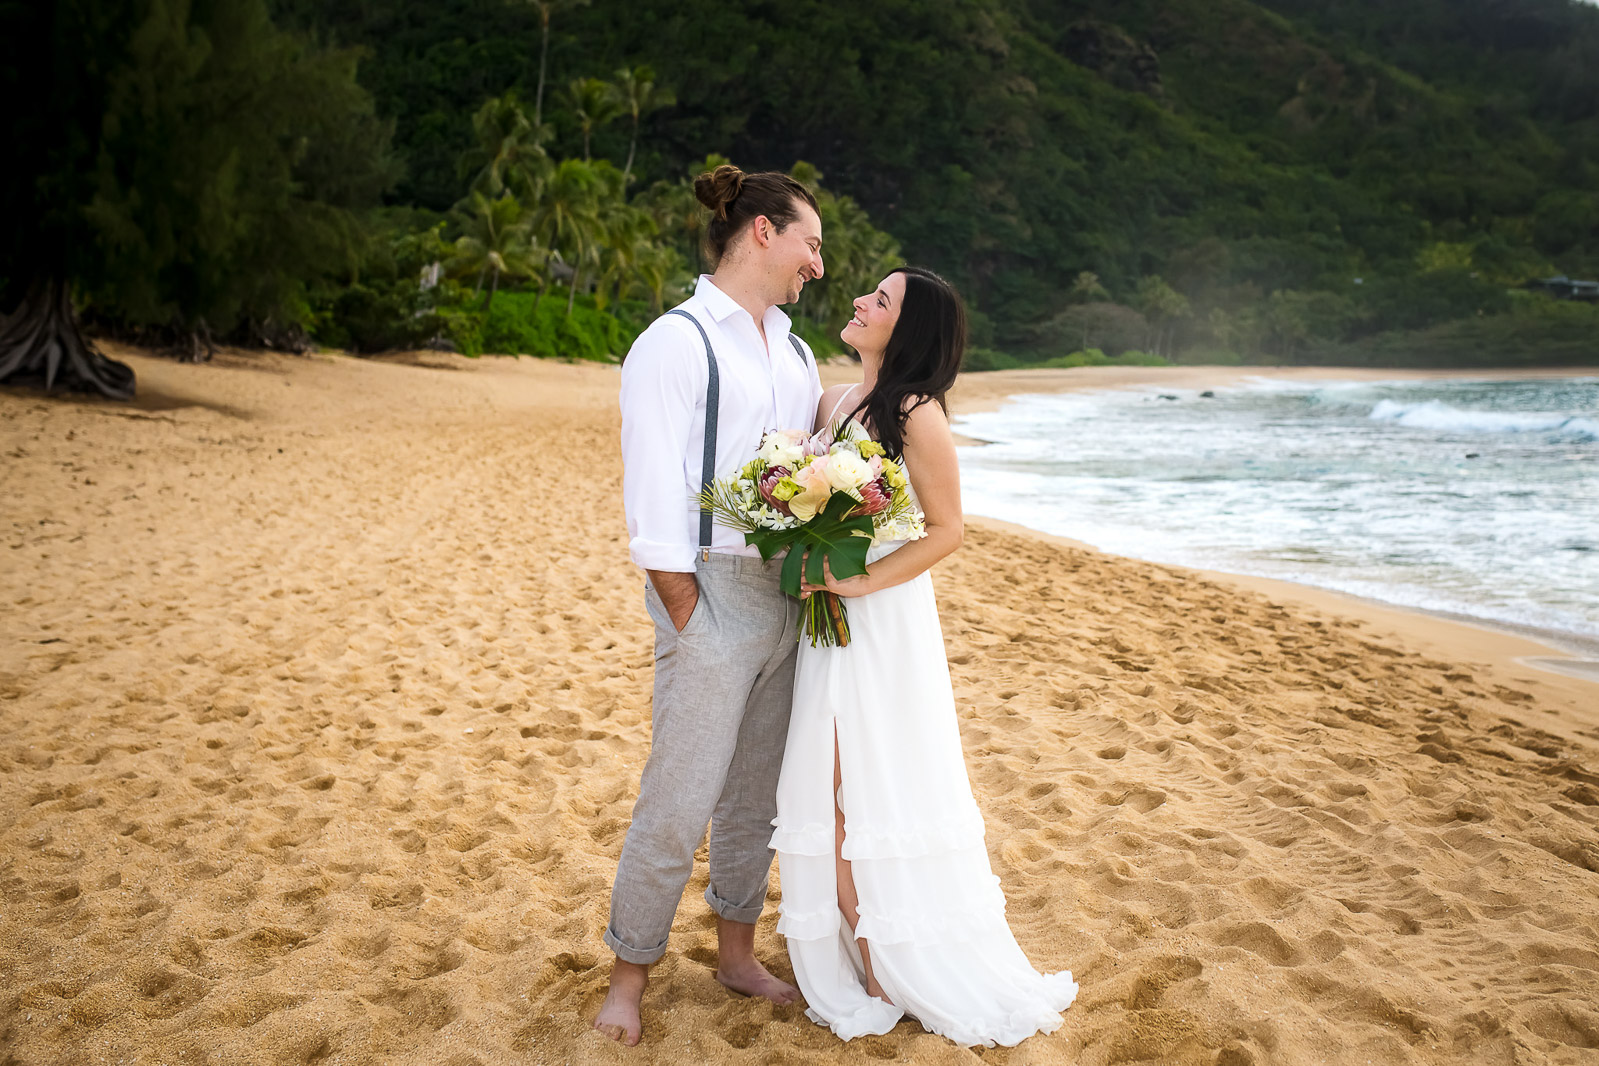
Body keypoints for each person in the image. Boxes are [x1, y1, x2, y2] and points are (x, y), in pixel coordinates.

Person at [771, 267, 1078, 1046]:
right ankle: (876, 963)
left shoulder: (915, 413)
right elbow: (809, 493)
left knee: (862, 790)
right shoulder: (833, 402)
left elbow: (947, 529)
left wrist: (855, 579)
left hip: (881, 618)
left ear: (907, 330)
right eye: (866, 293)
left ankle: (885, 970)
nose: (859, 303)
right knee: (828, 792)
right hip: (829, 615)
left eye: (880, 301)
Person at [593, 165, 826, 1047]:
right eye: (809, 243)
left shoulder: (796, 351)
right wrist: (688, 613)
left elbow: (805, 467)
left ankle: (735, 954)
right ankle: (627, 976)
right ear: (762, 231)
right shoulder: (675, 340)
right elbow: (652, 488)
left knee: (753, 799)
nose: (816, 264)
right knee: (679, 797)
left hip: (786, 593)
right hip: (706, 593)